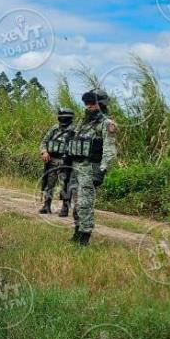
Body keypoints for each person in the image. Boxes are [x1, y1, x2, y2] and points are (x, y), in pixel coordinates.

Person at [66, 90, 118, 246]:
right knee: (76, 203)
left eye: (92, 103)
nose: (88, 107)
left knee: (85, 203)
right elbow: (74, 143)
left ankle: (85, 237)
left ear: (101, 105)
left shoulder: (107, 124)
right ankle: (77, 232)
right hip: (76, 167)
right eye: (87, 104)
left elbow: (109, 150)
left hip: (90, 169)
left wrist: (102, 172)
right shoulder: (83, 123)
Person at [39, 108, 76, 217]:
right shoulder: (55, 128)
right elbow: (44, 142)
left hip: (65, 161)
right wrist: (44, 152)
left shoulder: (74, 130)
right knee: (49, 184)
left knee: (65, 185)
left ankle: (65, 208)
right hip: (52, 160)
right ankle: (46, 205)